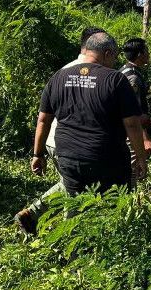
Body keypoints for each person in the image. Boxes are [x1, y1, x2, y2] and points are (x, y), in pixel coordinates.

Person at [18, 31, 147, 233]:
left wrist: (38, 154)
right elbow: (132, 124)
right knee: (114, 207)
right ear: (107, 53)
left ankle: (73, 253)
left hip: (68, 157)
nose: (114, 62)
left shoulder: (59, 76)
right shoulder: (115, 79)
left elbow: (43, 119)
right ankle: (112, 246)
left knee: (74, 206)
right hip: (107, 159)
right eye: (114, 57)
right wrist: (140, 158)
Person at [14, 27, 107, 234]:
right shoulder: (98, 75)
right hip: (72, 143)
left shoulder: (63, 71)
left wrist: (38, 153)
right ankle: (67, 239)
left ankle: (31, 214)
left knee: (68, 182)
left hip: (54, 141)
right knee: (75, 191)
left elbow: (44, 118)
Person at [120, 38, 151, 185]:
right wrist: (145, 138)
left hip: (127, 129)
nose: (149, 53)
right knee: (133, 170)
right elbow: (132, 114)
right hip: (130, 133)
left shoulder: (125, 70)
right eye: (146, 51)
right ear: (140, 54)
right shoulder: (133, 77)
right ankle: (128, 200)